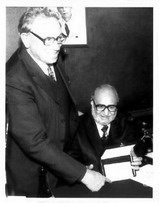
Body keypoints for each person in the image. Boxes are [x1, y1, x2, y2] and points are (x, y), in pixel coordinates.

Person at [6, 7, 110, 197]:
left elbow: (63, 105)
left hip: (63, 162)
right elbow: (36, 143)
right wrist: (84, 175)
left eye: (59, 38)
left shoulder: (50, 53)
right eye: (49, 39)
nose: (56, 46)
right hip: (34, 179)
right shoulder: (12, 79)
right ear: (26, 39)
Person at [68, 84, 143, 174]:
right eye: (101, 106)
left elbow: (139, 146)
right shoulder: (77, 127)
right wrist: (82, 170)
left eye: (111, 107)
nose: (106, 113)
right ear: (92, 103)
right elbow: (69, 162)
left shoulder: (126, 122)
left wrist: (138, 157)